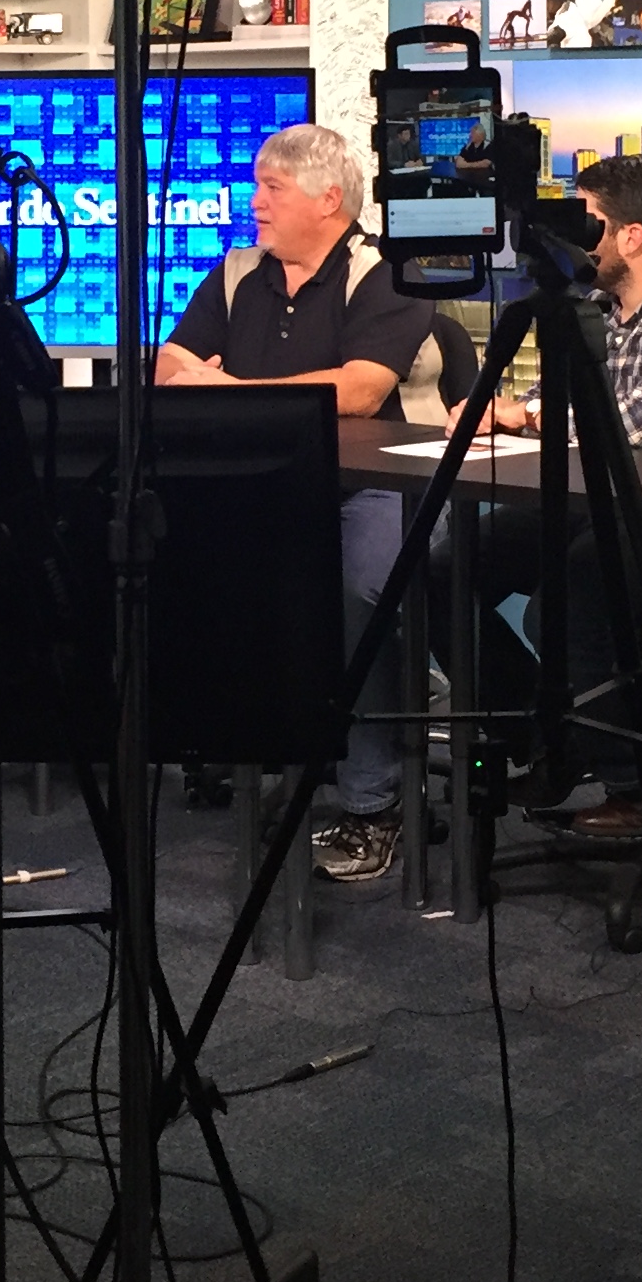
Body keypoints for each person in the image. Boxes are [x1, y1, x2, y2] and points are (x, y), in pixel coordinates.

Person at [428, 153, 642, 839]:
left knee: (573, 593)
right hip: (589, 508)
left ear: (632, 236)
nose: (573, 239)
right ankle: (549, 736)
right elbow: (546, 407)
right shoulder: (593, 314)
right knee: (442, 569)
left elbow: (632, 425)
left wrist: (525, 415)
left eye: (588, 222)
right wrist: (499, 411)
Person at [158, 121, 442, 884]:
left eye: (270, 189)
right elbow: (172, 361)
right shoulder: (238, 272)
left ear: (326, 200)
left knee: (360, 592)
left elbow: (359, 389)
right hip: (271, 487)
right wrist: (205, 379)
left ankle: (371, 803)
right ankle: (267, 752)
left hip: (383, 487)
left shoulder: (384, 272)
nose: (254, 203)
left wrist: (233, 390)